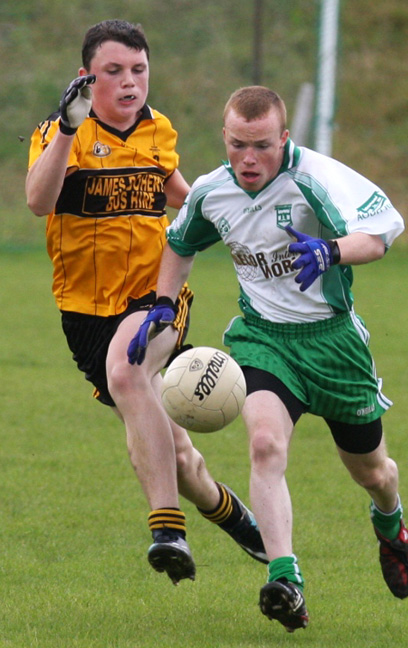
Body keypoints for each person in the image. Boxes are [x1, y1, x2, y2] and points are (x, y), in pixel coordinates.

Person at [127, 85, 408, 631]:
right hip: (264, 340)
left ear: (284, 138)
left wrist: (330, 249)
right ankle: (286, 579)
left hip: (334, 344)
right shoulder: (213, 190)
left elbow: (378, 236)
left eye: (261, 145)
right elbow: (180, 242)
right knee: (264, 445)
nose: (248, 158)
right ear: (225, 138)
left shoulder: (315, 178)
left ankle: (391, 521)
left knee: (372, 471)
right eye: (238, 144)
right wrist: (163, 306)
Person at [26, 20, 268, 587]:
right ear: (87, 78)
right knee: (180, 457)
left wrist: (253, 234)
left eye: (139, 70)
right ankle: (232, 515)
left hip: (155, 296)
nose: (130, 82)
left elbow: (186, 203)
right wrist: (68, 127)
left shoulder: (158, 130)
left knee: (128, 371)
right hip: (84, 313)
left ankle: (168, 531)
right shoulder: (59, 134)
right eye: (114, 72)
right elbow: (38, 201)